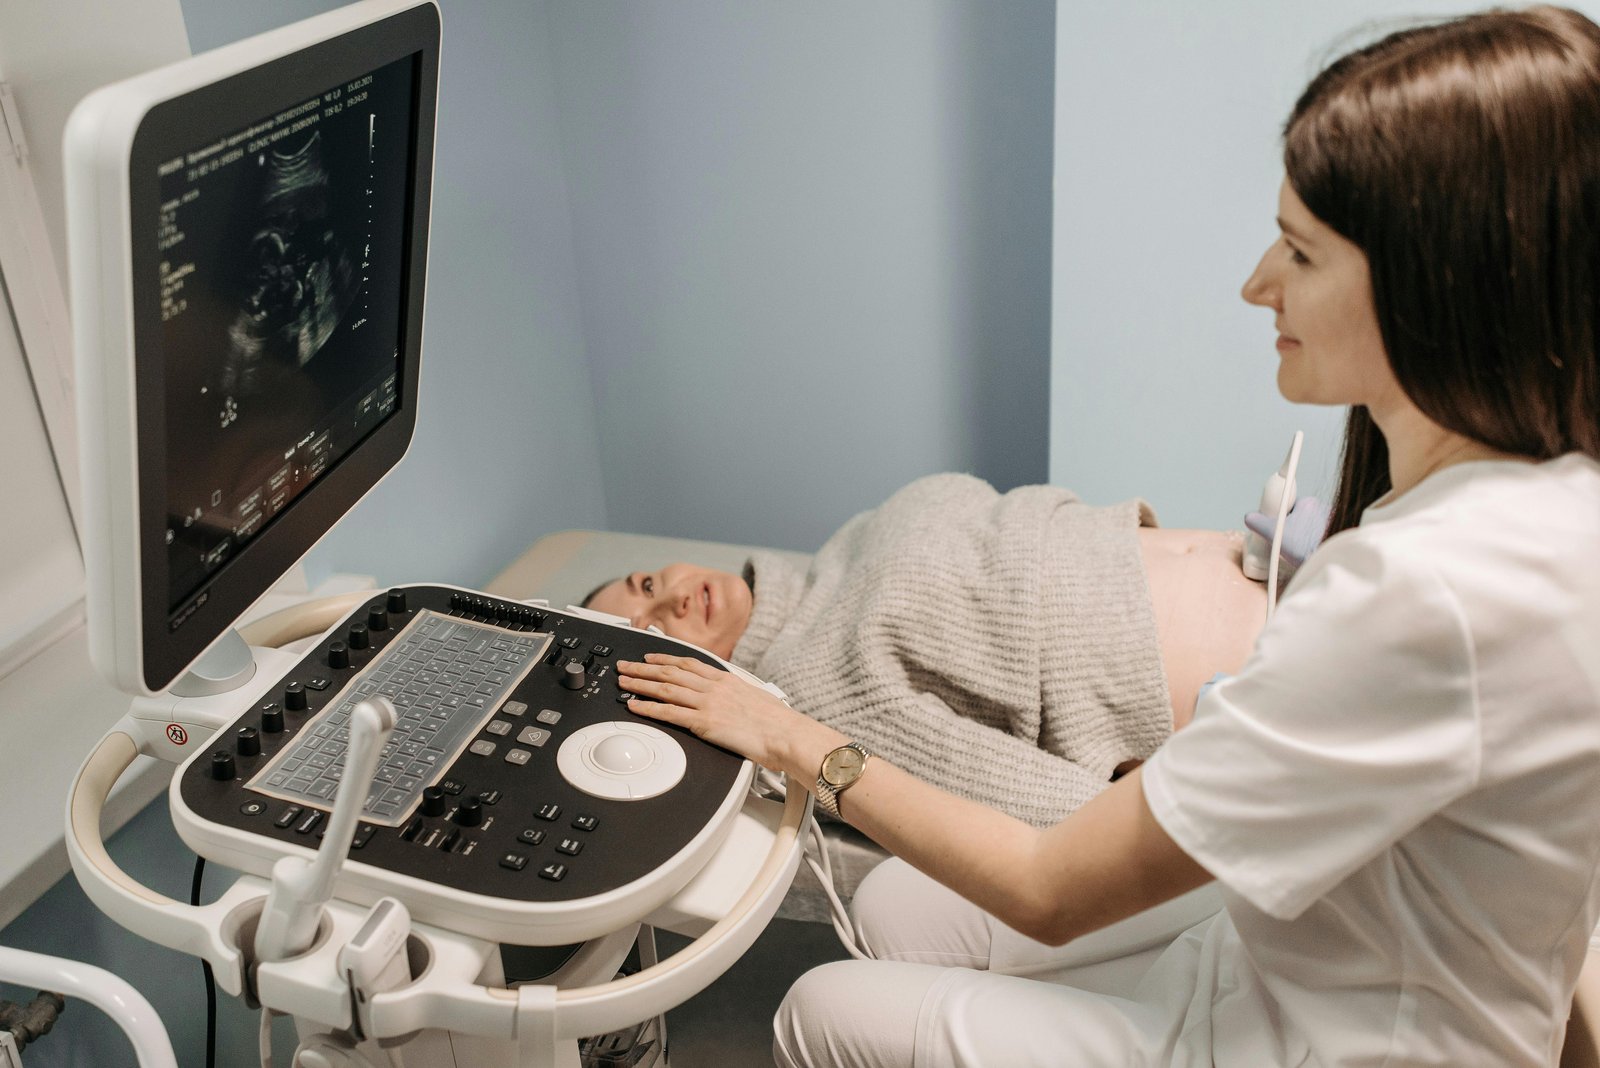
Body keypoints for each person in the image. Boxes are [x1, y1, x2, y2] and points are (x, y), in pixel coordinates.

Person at [617, 7, 1600, 1065]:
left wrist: (785, 736)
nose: (1257, 283)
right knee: (901, 908)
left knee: (821, 1004)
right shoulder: (1537, 498)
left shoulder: (1421, 591)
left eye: (1302, 251)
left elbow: (1048, 889)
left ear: (1438, 285)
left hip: (1328, 1035)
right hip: (1303, 944)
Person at [587, 475, 1273, 826]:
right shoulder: (816, 686)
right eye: (653, 630)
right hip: (1263, 678)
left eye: (646, 582)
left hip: (1274, 561)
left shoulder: (847, 540)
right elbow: (1032, 803)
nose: (671, 599)